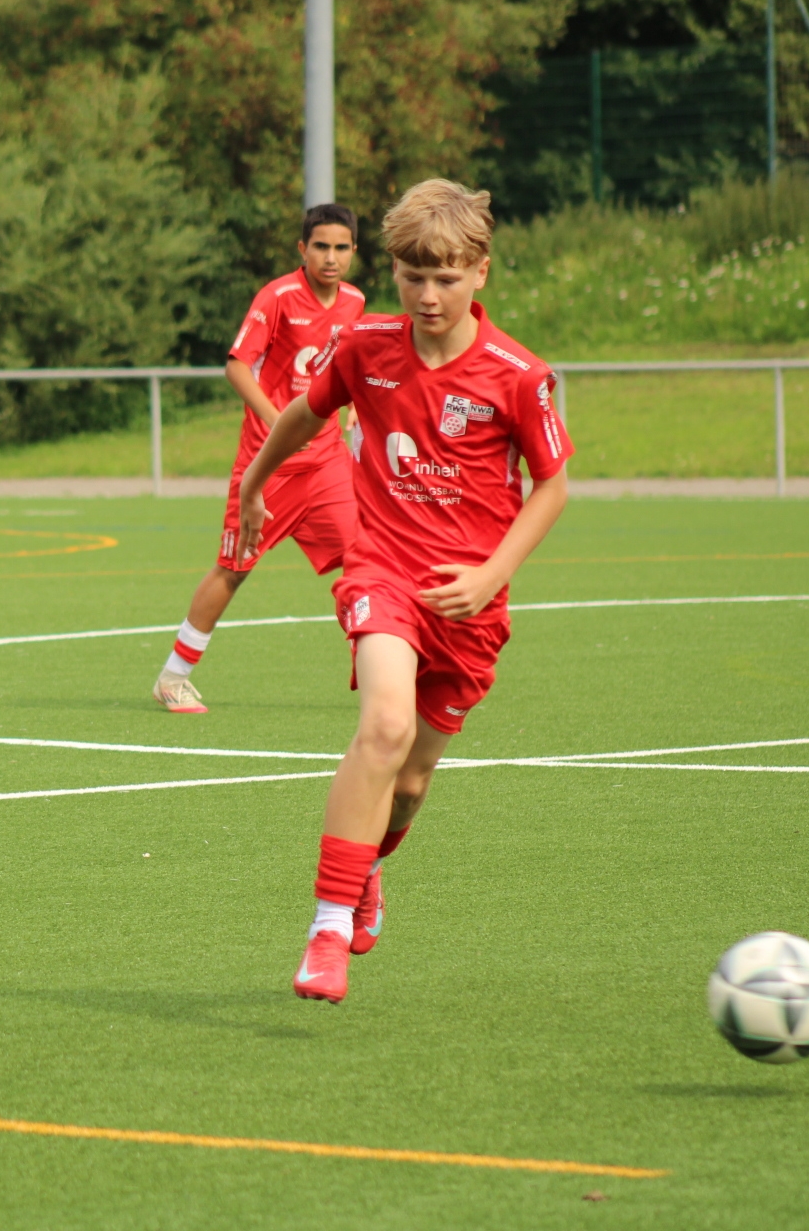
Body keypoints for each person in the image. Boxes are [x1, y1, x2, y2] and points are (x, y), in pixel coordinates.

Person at [234, 178, 572, 1003]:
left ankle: (368, 869)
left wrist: (491, 575)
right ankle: (326, 931)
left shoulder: (519, 375)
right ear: (391, 271)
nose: (427, 295)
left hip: (468, 604)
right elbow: (304, 413)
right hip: (381, 571)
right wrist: (253, 482)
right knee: (383, 727)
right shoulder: (364, 348)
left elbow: (553, 485)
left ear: (480, 272)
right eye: (412, 276)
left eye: (446, 278)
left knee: (411, 783)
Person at [152, 204, 364, 714]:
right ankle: (173, 677)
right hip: (267, 468)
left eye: (341, 248)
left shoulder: (355, 302)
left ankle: (383, 670)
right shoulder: (278, 296)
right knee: (233, 569)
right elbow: (237, 366)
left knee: (365, 558)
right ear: (302, 249)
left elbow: (349, 365)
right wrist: (278, 422)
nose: (330, 257)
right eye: (321, 246)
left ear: (354, 252)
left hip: (327, 463)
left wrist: (356, 405)